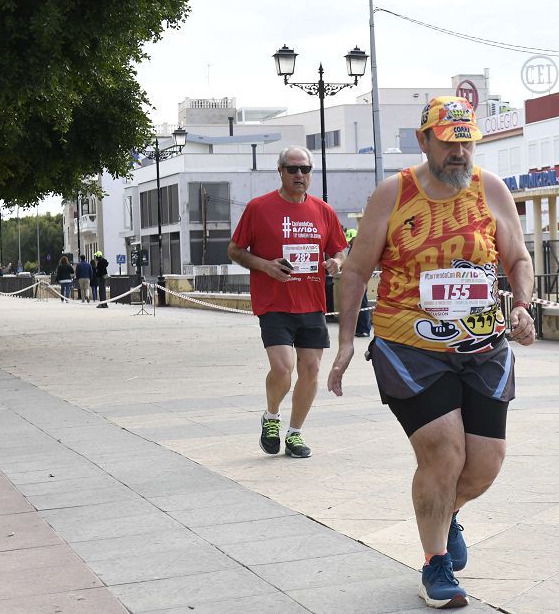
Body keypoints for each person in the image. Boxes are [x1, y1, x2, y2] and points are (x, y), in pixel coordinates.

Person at [327, 96, 536, 609]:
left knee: (485, 462)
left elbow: (518, 256)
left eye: (466, 142)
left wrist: (525, 306)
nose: (459, 153)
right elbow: (354, 271)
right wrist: (346, 344)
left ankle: (448, 512)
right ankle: (435, 564)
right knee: (445, 449)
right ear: (424, 141)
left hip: (482, 342)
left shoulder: (491, 189)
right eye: (448, 142)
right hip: (409, 343)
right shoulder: (392, 194)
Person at [227, 146, 348, 459]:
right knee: (283, 369)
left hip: (311, 302)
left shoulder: (324, 211)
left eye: (305, 170)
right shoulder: (259, 207)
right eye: (292, 169)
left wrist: (336, 262)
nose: (299, 175)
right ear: (280, 171)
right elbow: (235, 250)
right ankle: (271, 417)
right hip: (274, 303)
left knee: (311, 370)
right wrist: (266, 265)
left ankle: (295, 433)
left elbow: (340, 251)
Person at [345, 229, 372, 337]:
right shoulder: (354, 248)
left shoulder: (361, 249)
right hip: (355, 279)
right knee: (357, 304)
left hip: (360, 279)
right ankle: (359, 329)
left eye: (351, 239)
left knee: (362, 303)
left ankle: (364, 329)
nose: (350, 242)